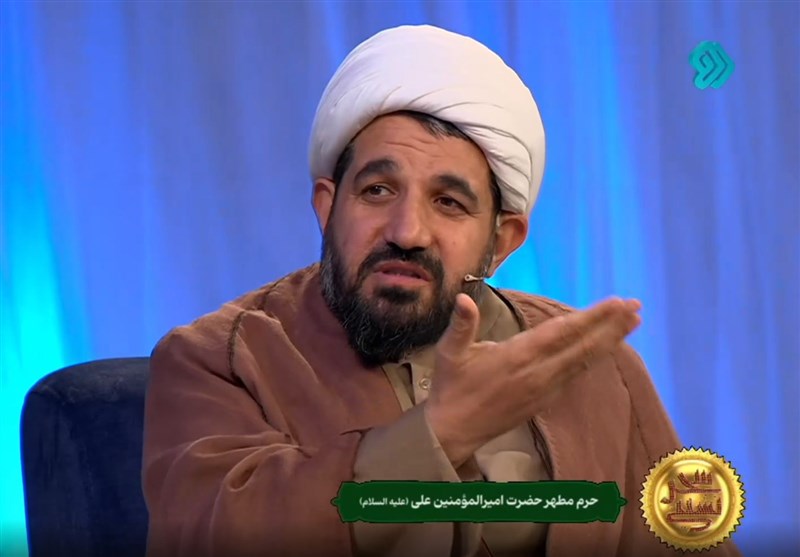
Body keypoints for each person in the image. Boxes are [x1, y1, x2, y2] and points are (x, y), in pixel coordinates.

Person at [142, 25, 741, 557]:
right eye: (377, 191)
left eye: (449, 202)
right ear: (328, 206)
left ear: (501, 240)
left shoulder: (588, 362)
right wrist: (441, 432)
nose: (407, 232)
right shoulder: (219, 360)